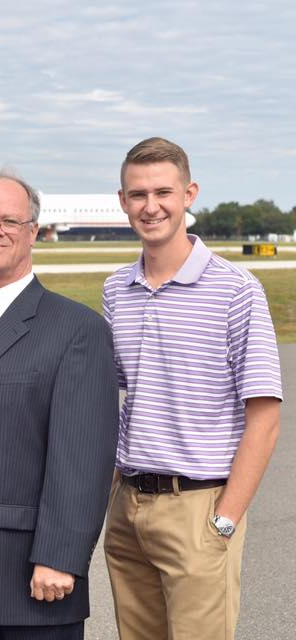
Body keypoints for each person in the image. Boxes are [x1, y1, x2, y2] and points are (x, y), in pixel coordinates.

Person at [102, 137, 283, 640]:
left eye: (163, 192)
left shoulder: (236, 290)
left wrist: (225, 520)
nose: (151, 206)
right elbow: (116, 402)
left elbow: (265, 417)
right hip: (128, 507)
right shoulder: (116, 290)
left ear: (189, 194)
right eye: (138, 194)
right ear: (123, 201)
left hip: (199, 506)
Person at [0, 170, 119, 639]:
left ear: (33, 232)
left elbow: (83, 456)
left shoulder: (77, 329)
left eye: (9, 221)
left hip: (31, 581)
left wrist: (60, 555)